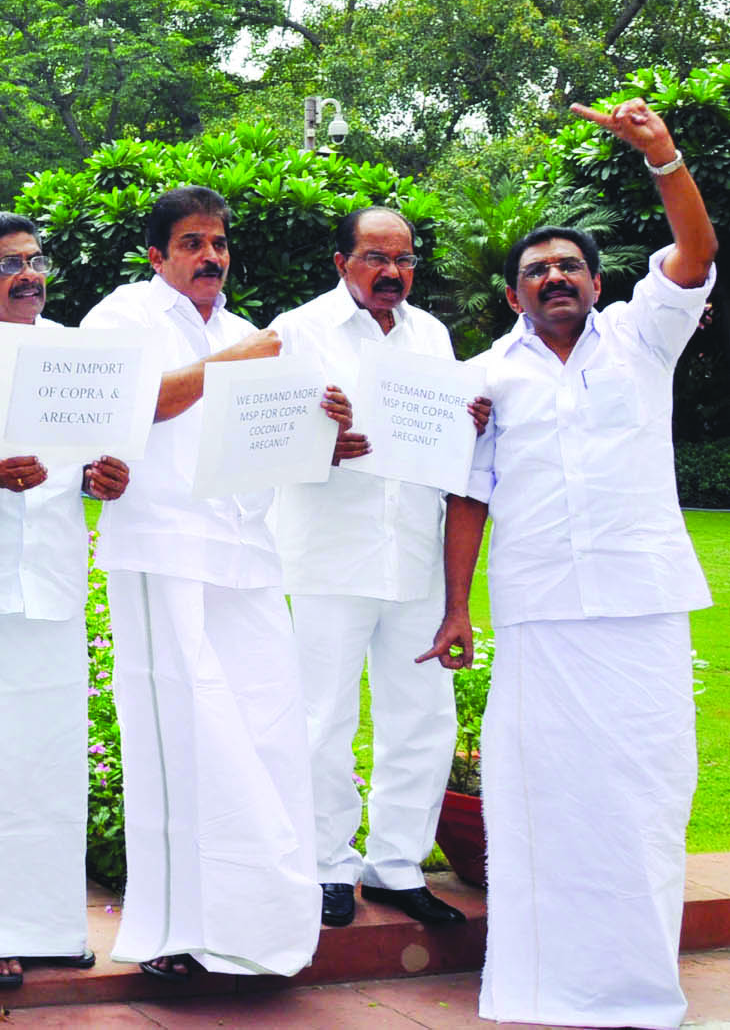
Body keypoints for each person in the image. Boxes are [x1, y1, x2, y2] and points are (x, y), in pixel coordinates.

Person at [426, 98, 716, 1029]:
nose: (554, 276)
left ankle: (634, 989)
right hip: (541, 612)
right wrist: (455, 609)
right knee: (543, 800)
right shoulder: (483, 377)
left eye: (569, 266)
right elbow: (466, 496)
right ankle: (539, 988)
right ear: (513, 294)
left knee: (642, 794)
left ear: (596, 283)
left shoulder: (645, 339)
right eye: (536, 269)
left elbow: (698, 255)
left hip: (641, 607)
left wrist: (662, 156)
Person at [78, 184, 357, 981]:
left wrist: (325, 430)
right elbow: (134, 408)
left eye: (219, 242)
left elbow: (281, 452)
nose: (211, 256)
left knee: (265, 735)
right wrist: (234, 362)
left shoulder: (247, 332)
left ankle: (260, 929)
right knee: (182, 742)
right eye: (194, 242)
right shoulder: (123, 316)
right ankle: (174, 933)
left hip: (248, 555)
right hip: (163, 551)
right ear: (158, 253)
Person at [0, 212, 129, 990]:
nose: (30, 274)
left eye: (36, 259)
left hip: (55, 583)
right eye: (11, 264)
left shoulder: (75, 352)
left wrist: (106, 478)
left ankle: (49, 923)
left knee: (50, 760)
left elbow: (98, 459)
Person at [267, 207, 485, 931]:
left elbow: (444, 438)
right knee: (322, 714)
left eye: (404, 258)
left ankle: (396, 865)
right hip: (329, 550)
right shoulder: (297, 330)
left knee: (422, 713)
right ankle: (327, 862)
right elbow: (260, 437)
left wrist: (469, 421)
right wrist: (315, 439)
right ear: (341, 261)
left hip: (414, 552)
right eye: (373, 257)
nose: (391, 271)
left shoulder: (433, 335)